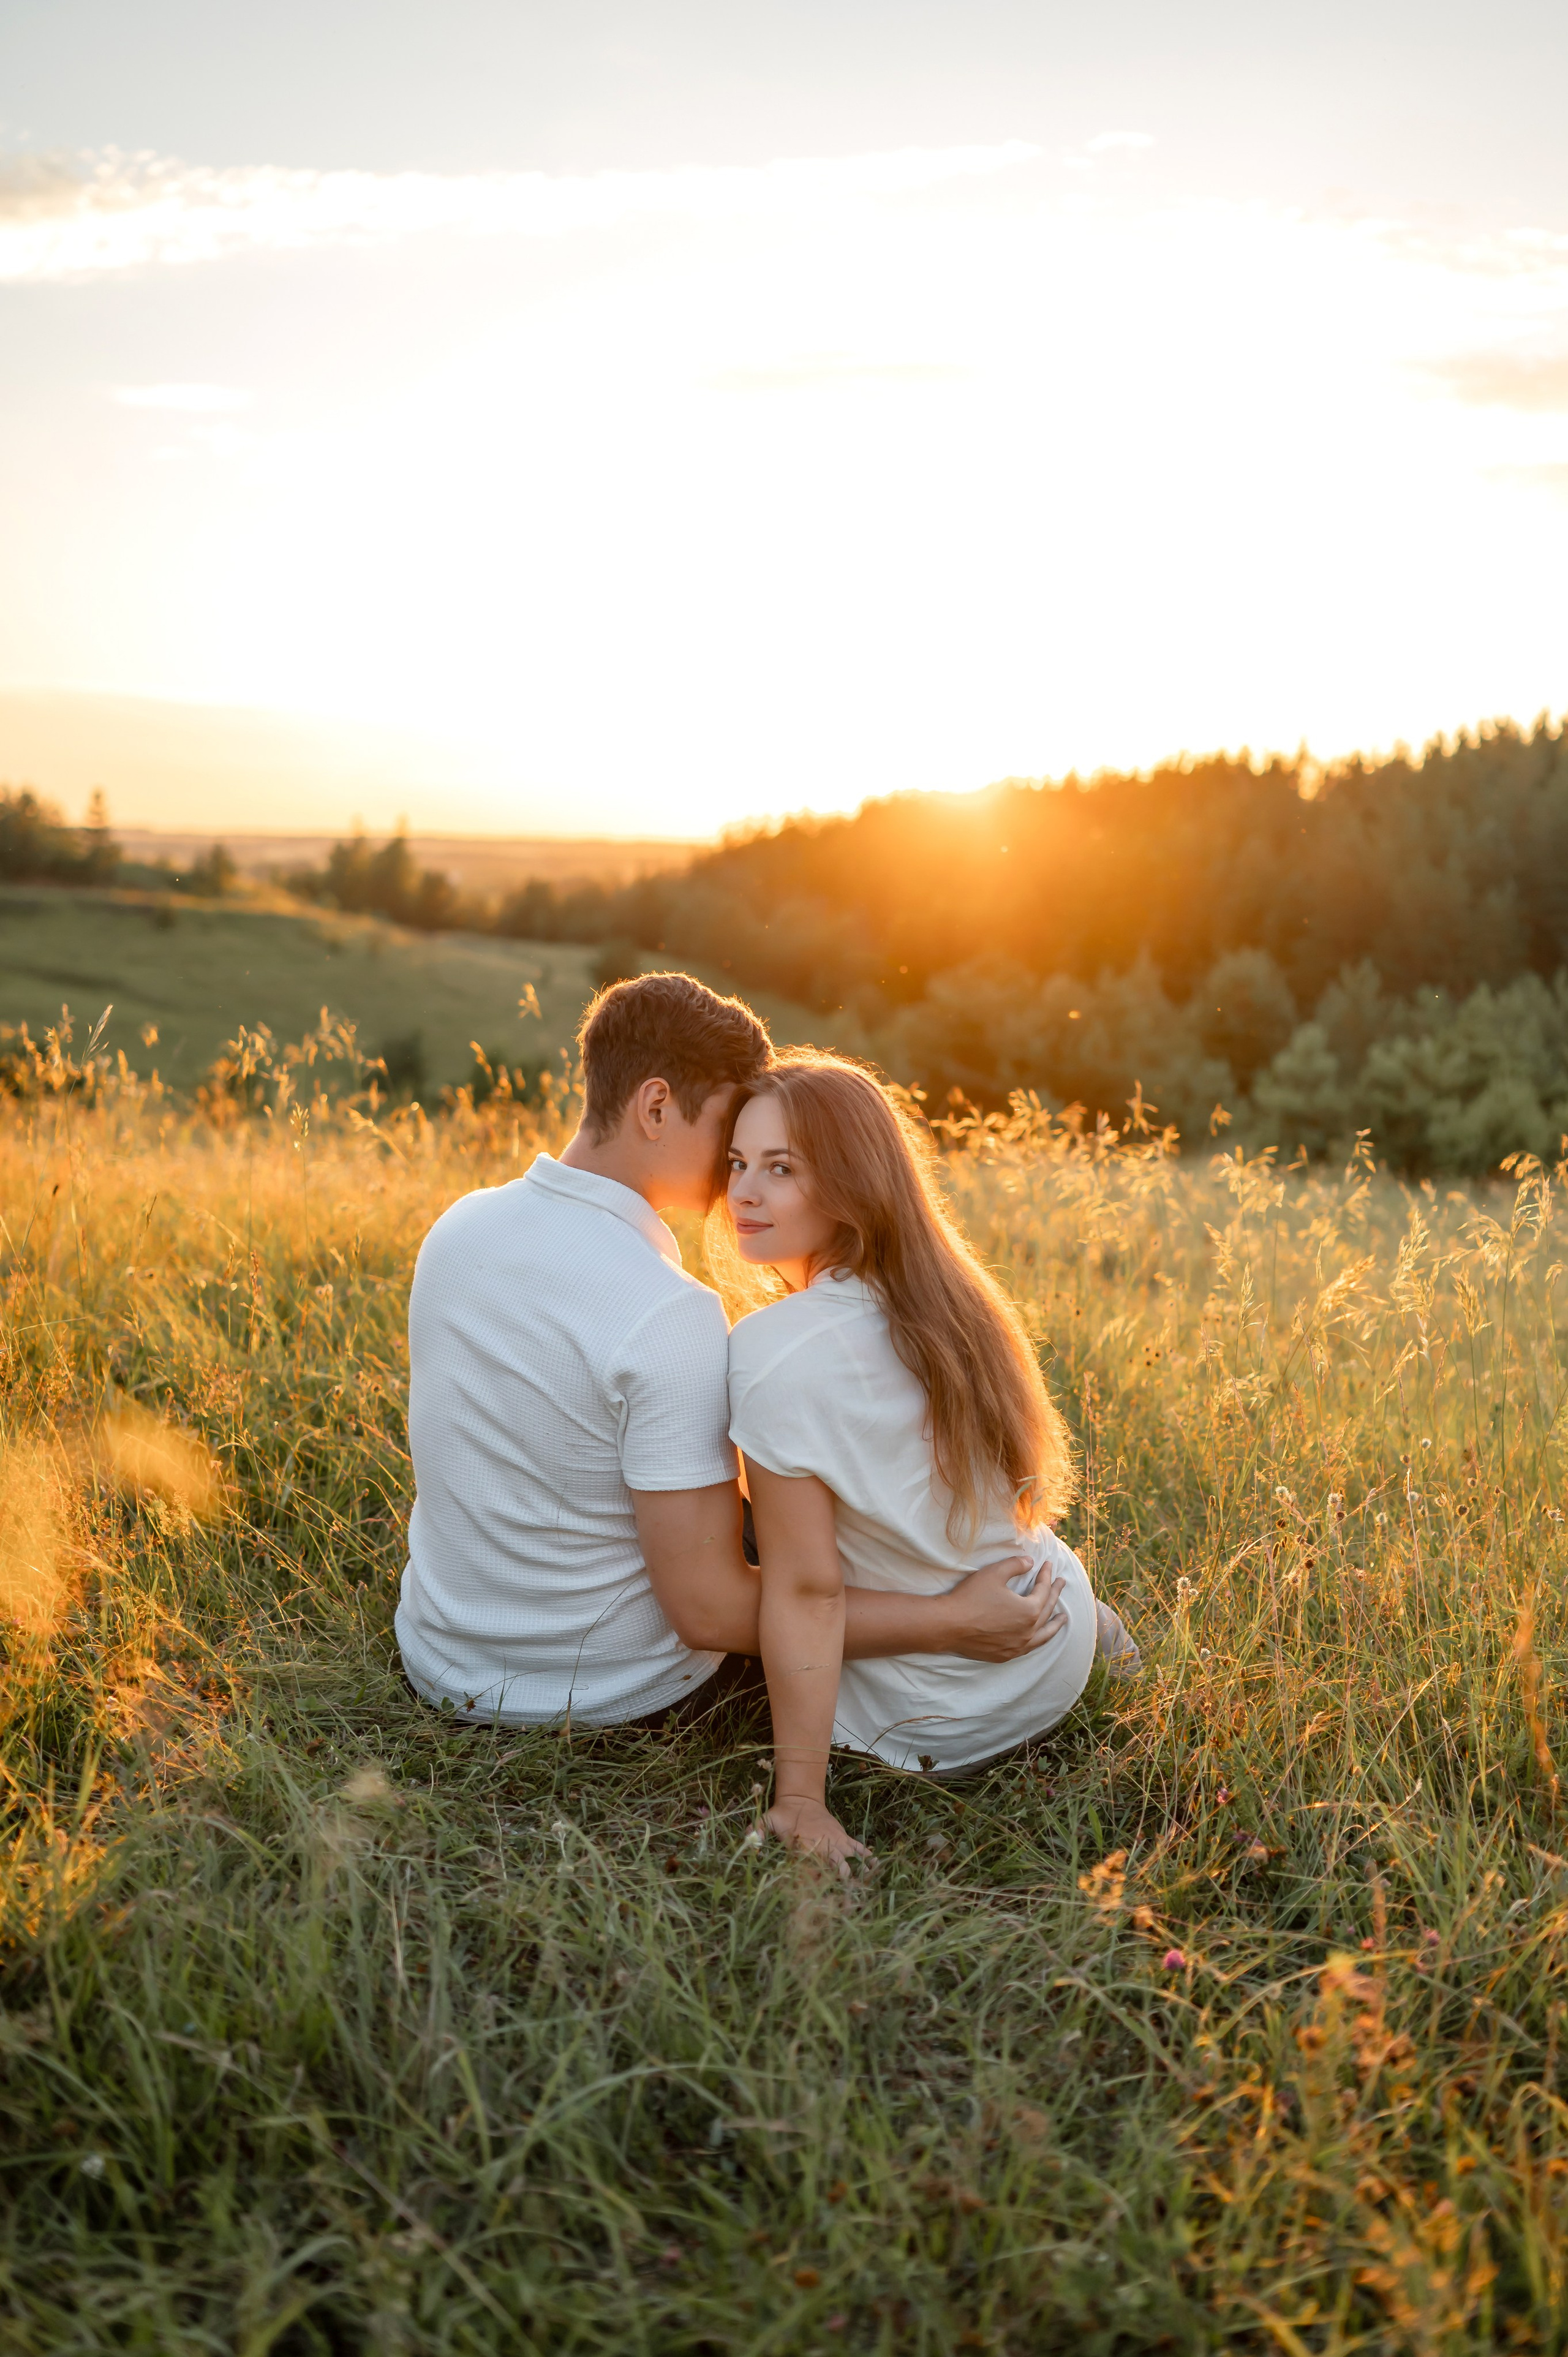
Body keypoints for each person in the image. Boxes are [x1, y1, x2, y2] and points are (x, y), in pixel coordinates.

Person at [395, 972, 1071, 1729]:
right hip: (604, 1691)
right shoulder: (667, 1313)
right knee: (820, 1517)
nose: (734, 1166)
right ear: (656, 1106)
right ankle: (1049, 1615)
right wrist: (950, 1619)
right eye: (728, 1132)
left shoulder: (458, 1227)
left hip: (440, 1654)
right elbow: (711, 1613)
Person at [722, 1051, 1139, 1869]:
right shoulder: (951, 1296)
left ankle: (1100, 1632)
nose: (743, 1192)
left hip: (943, 1722)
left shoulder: (769, 1352)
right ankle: (1102, 1631)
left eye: (780, 1169)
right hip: (1048, 1642)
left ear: (848, 1184)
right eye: (738, 1164)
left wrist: (800, 1800)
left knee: (738, 1537)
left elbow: (808, 1591)